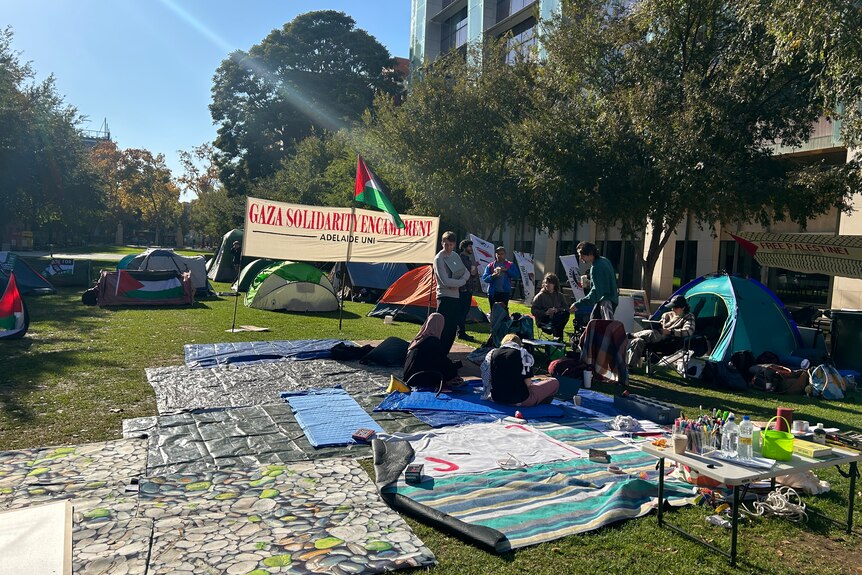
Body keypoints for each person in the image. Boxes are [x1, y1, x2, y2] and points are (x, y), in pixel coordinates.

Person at [480, 334, 559, 406]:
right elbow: (528, 384)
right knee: (554, 382)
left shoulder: (492, 353)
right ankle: (542, 406)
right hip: (519, 399)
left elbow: (487, 377)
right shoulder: (523, 354)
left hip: (497, 398)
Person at [626, 294, 696, 368]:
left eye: (675, 307)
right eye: (672, 307)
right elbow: (658, 324)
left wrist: (670, 331)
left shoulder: (688, 316)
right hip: (657, 338)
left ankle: (632, 335)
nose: (672, 309)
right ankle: (629, 366)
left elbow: (688, 331)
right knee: (638, 340)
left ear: (683, 307)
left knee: (652, 333)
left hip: (670, 341)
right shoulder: (666, 315)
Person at [433, 231, 469, 353]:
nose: (448, 247)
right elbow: (445, 281)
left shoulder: (455, 256)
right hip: (444, 298)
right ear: (442, 243)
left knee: (452, 329)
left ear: (454, 245)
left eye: (451, 244)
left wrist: (460, 281)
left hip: (455, 297)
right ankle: (438, 355)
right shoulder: (439, 259)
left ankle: (445, 355)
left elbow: (466, 273)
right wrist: (461, 282)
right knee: (443, 330)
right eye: (446, 244)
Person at [403, 313, 462, 386]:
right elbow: (442, 363)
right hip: (418, 379)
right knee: (452, 372)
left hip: (408, 377)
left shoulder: (418, 339)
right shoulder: (432, 342)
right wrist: (455, 367)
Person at [570, 241, 618, 321]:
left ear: (590, 254)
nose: (580, 258)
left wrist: (578, 304)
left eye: (582, 255)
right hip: (611, 298)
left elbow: (596, 292)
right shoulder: (605, 261)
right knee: (594, 323)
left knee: (604, 326)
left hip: (605, 301)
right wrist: (590, 283)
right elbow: (605, 283)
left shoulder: (596, 267)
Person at [531, 273, 570, 340]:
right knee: (558, 325)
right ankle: (558, 341)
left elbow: (566, 308)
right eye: (546, 283)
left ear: (554, 284)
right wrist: (546, 312)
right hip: (544, 320)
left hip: (557, 318)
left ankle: (557, 340)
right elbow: (533, 310)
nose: (547, 285)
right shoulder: (539, 296)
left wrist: (557, 310)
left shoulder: (560, 296)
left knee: (564, 315)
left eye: (550, 283)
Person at [481, 246, 520, 312]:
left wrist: (507, 270)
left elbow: (516, 276)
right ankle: (493, 322)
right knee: (493, 311)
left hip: (505, 292)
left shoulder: (510, 265)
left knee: (503, 311)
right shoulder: (490, 266)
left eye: (501, 254)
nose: (499, 255)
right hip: (493, 293)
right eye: (498, 254)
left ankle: (503, 322)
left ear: (505, 255)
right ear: (495, 255)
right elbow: (484, 279)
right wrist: (493, 276)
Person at [456, 239, 479, 342]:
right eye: (469, 247)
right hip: (462, 289)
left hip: (468, 289)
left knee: (464, 312)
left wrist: (474, 272)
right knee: (461, 311)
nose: (471, 249)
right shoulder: (460, 258)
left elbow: (472, 275)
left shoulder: (468, 259)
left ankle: (461, 331)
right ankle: (461, 332)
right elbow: (461, 273)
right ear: (464, 247)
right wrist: (472, 271)